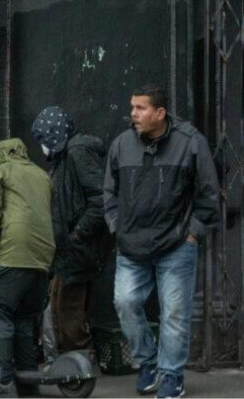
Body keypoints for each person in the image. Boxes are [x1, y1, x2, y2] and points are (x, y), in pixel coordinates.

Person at [104, 84, 220, 398]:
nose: (133, 114)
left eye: (140, 108)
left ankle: (171, 375)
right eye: (132, 107)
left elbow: (210, 194)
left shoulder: (190, 142)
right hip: (132, 244)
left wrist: (192, 232)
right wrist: (116, 225)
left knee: (174, 312)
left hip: (177, 244)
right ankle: (149, 362)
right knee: (125, 303)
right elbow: (109, 193)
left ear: (160, 113)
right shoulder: (121, 144)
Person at [0, 138, 54, 397]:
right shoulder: (42, 176)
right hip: (41, 260)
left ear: (1, 154)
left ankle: (3, 383)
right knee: (24, 322)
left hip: (9, 256)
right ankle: (28, 382)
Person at [31, 106, 109, 353]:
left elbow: (100, 199)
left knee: (66, 307)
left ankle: (78, 363)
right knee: (61, 305)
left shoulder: (76, 153)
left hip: (77, 249)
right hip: (70, 247)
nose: (41, 146)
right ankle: (73, 361)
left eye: (43, 138)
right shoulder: (65, 156)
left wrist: (77, 234)